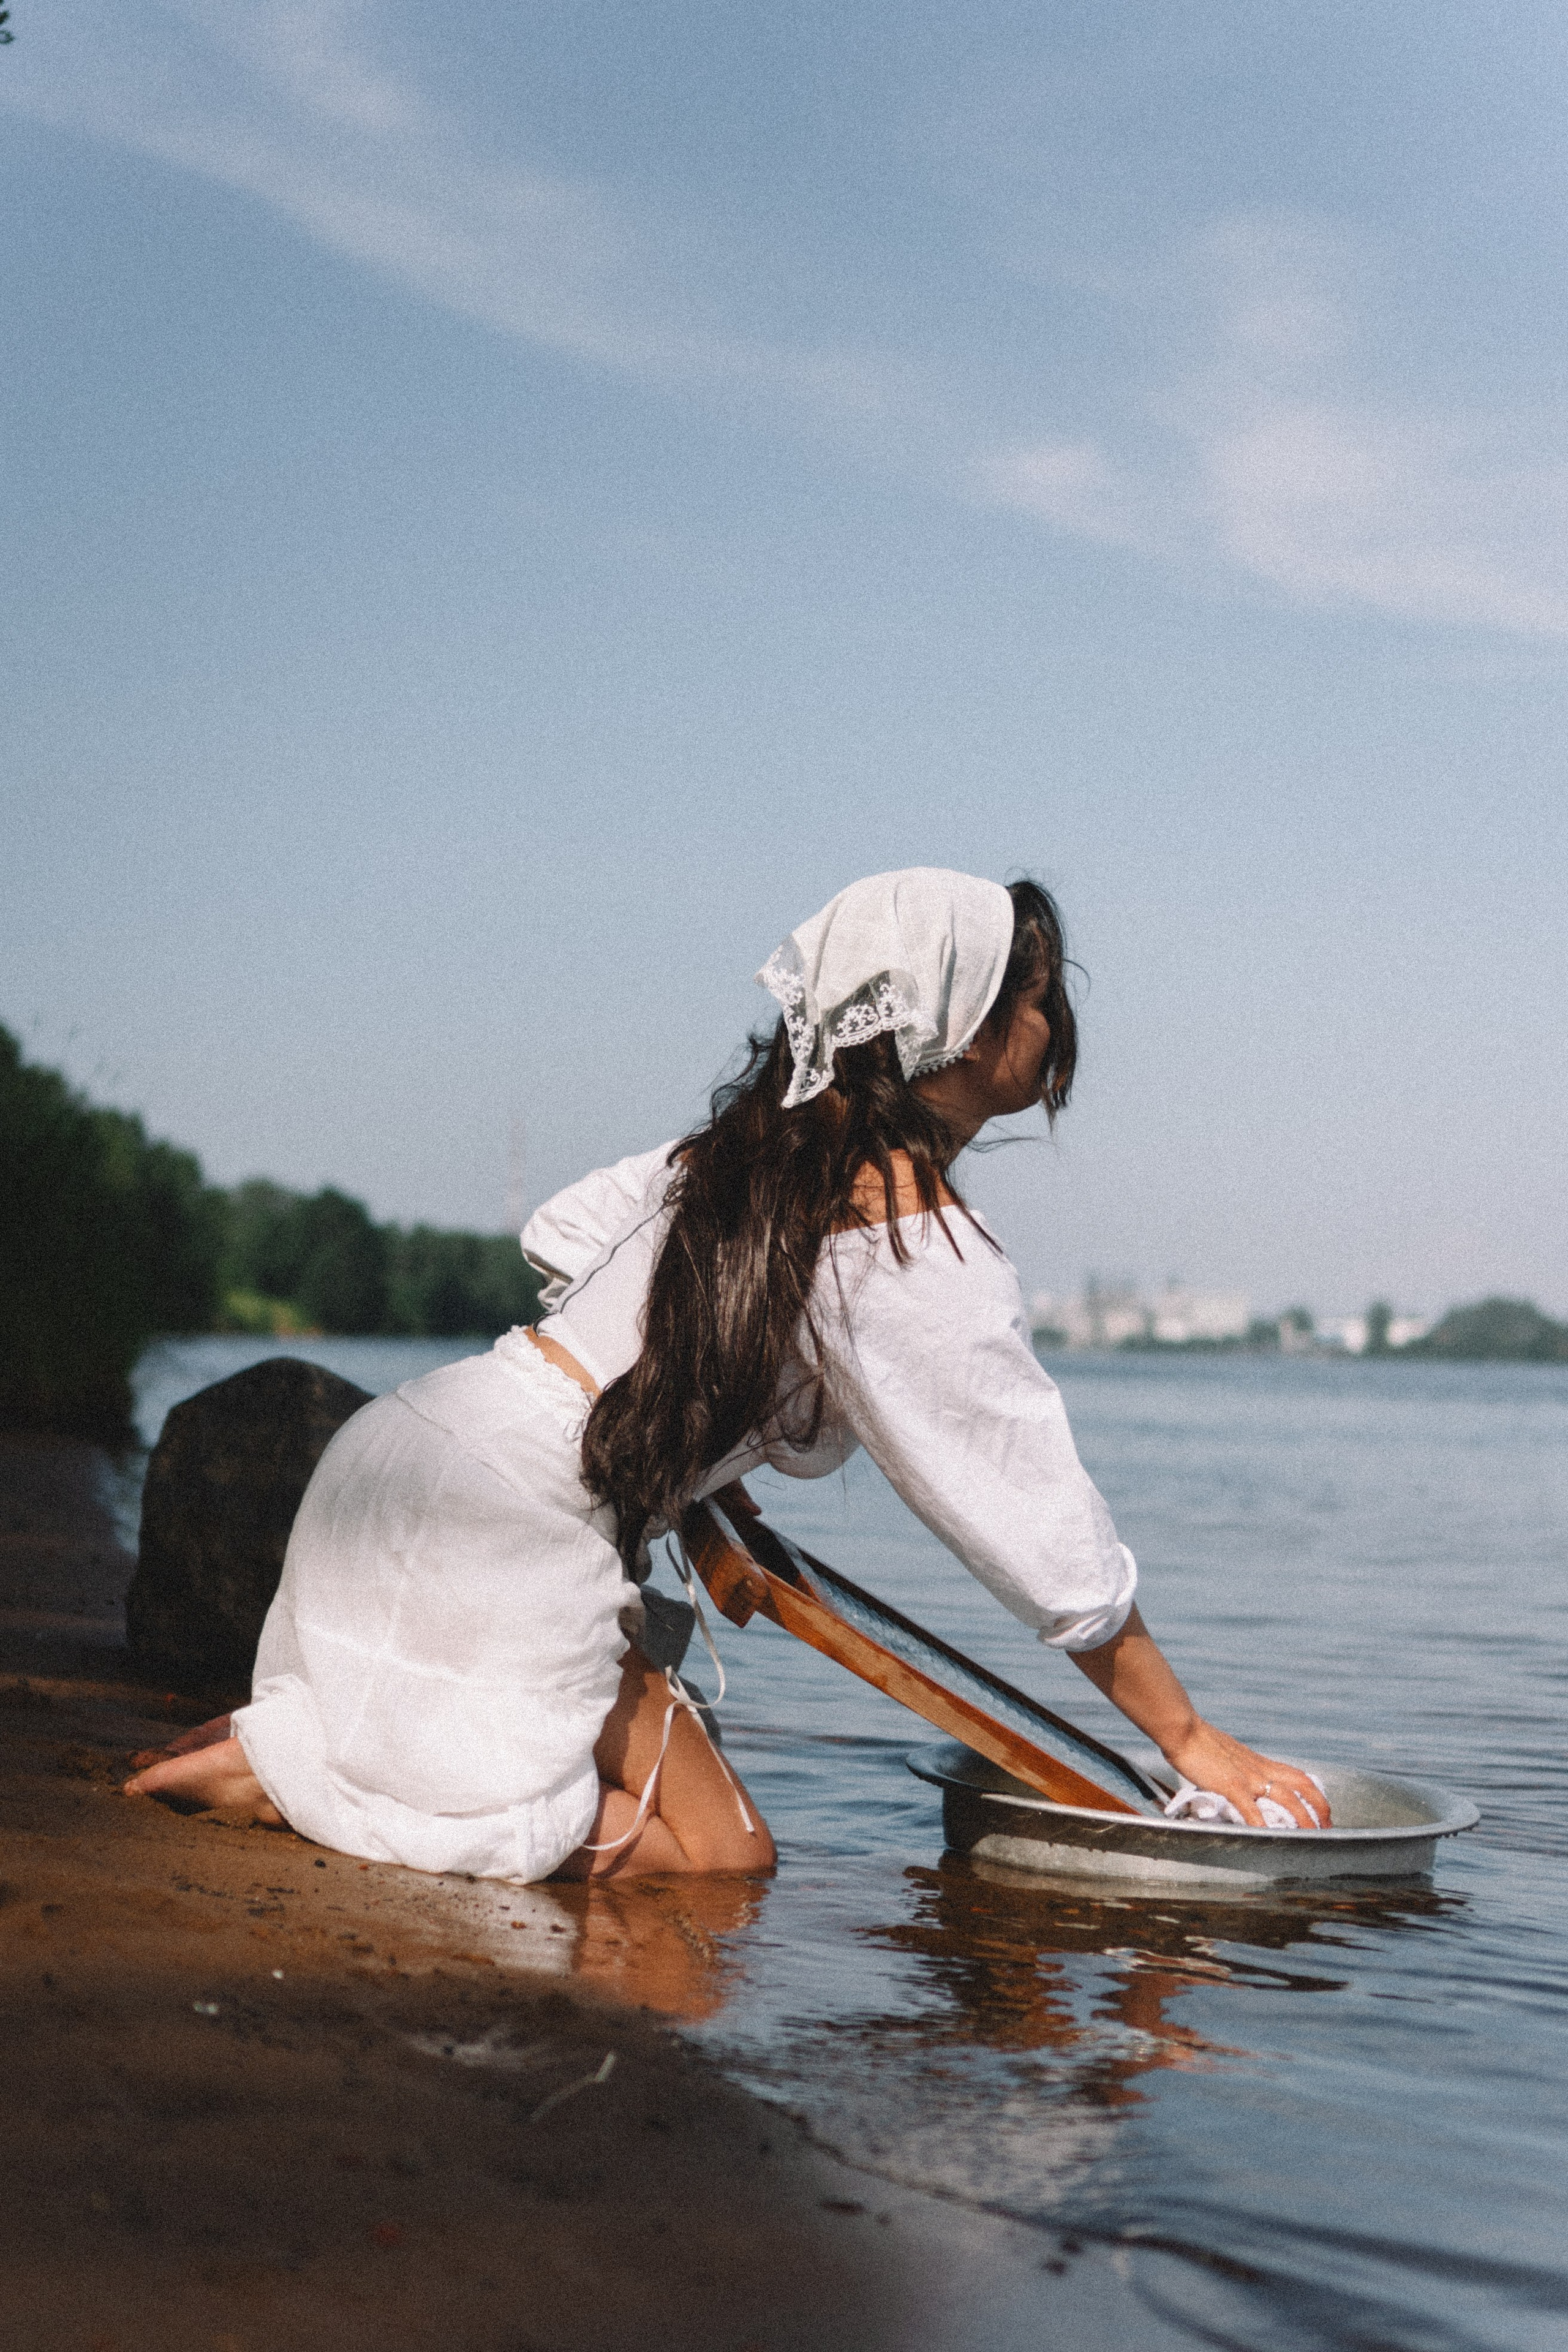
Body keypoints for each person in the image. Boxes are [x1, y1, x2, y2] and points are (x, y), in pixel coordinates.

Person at [126, 868, 1327, 1874]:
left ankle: (329, 1754)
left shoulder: (753, 1148)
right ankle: (313, 1789)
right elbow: (1042, 1543)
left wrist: (695, 1453)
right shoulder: (913, 1240)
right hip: (508, 1531)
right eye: (1033, 988)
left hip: (408, 1448)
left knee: (636, 1802)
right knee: (720, 1862)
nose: (1052, 1015)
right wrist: (1192, 1743)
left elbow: (558, 1234)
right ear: (959, 1027)